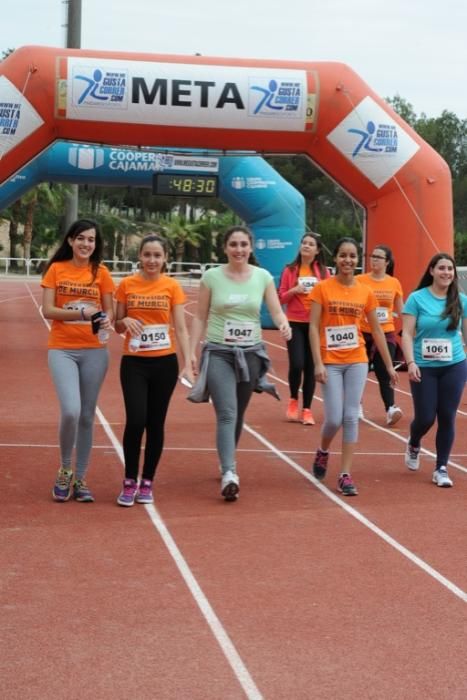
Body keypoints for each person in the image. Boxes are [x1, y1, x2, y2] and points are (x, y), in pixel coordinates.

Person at [188, 225, 291, 502]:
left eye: (244, 245)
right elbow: (199, 316)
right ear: (225, 248)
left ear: (251, 247)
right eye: (233, 244)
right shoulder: (211, 277)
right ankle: (230, 473)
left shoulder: (262, 277)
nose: (239, 250)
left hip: (251, 354)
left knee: (239, 413)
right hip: (220, 352)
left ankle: (226, 460)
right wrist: (192, 351)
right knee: (227, 413)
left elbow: (276, 310)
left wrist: (284, 325)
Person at [309, 237, 398, 495]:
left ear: (358, 261)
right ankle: (323, 450)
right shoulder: (322, 289)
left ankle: (345, 474)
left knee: (350, 417)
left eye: (352, 256)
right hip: (330, 360)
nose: (348, 260)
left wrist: (390, 366)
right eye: (343, 255)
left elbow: (378, 331)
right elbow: (314, 327)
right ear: (335, 259)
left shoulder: (364, 291)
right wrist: (317, 363)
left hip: (357, 359)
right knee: (334, 418)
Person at [114, 234, 194, 507]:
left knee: (155, 423)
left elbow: (181, 328)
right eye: (147, 255)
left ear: (165, 259)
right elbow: (116, 324)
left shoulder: (172, 286)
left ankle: (147, 481)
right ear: (140, 257)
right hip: (134, 362)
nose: (151, 260)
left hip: (164, 363)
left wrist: (188, 363)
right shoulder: (126, 284)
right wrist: (124, 320)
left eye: (157, 256)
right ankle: (129, 480)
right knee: (136, 420)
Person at [41, 218, 115, 502]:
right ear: (70, 240)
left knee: (86, 415)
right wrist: (81, 314)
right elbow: (48, 310)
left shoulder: (102, 273)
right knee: (71, 410)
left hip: (95, 350)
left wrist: (105, 320)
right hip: (62, 348)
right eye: (81, 238)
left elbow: (108, 312)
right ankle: (65, 469)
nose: (86, 244)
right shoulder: (56, 270)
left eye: (92, 240)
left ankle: (82, 478)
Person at [401, 253, 467, 487]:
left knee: (448, 416)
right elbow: (407, 334)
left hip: (454, 365)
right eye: (441, 268)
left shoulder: (460, 300)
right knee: (426, 417)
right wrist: (410, 363)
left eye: (450, 269)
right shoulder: (416, 299)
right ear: (431, 271)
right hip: (424, 366)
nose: (446, 272)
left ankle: (441, 468)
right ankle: (414, 441)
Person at [278, 232, 330, 425]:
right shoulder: (290, 270)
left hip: (315, 324)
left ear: (317, 250)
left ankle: (307, 409)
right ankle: (293, 400)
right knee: (297, 363)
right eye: (304, 243)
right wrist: (295, 290)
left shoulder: (324, 273)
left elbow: (328, 296)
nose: (306, 246)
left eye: (311, 244)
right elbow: (281, 297)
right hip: (295, 322)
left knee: (311, 367)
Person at [356, 245, 404, 425]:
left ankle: (390, 408)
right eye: (372, 256)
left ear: (387, 262)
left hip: (386, 332)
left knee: (385, 370)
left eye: (378, 257)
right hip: (363, 332)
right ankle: (356, 405)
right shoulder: (360, 280)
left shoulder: (394, 283)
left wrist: (409, 326)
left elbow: (401, 309)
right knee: (360, 371)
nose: (374, 260)